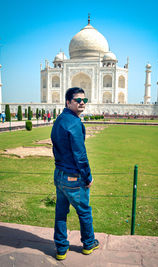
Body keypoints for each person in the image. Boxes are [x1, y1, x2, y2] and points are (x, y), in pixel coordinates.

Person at [51, 87, 99, 260]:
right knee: (84, 211)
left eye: (84, 100)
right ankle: (88, 244)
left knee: (61, 213)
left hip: (60, 174)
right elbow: (80, 155)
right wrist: (88, 177)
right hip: (73, 177)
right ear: (68, 102)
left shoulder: (59, 120)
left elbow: (55, 147)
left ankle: (61, 249)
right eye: (78, 100)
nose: (82, 103)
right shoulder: (74, 123)